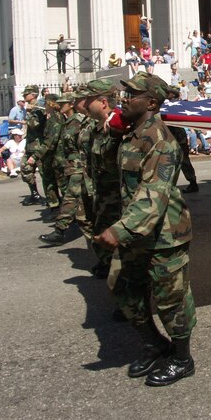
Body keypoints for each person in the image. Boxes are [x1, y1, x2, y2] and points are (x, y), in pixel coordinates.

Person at [94, 73, 197, 387]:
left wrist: (119, 230)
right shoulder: (132, 133)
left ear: (151, 102)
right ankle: (154, 343)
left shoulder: (160, 139)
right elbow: (99, 162)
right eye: (125, 93)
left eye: (132, 94)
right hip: (136, 231)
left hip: (164, 234)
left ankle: (181, 358)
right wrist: (112, 132)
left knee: (172, 300)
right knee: (122, 286)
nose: (124, 98)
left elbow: (154, 194)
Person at [83, 79, 123, 279]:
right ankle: (106, 262)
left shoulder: (119, 126)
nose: (84, 104)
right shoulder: (99, 127)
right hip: (103, 193)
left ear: (103, 102)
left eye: (89, 99)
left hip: (118, 197)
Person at [40, 91, 92, 245]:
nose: (60, 106)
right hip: (69, 165)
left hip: (78, 166)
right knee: (79, 203)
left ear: (71, 105)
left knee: (70, 198)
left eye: (63, 103)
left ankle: (60, 231)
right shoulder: (66, 120)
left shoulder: (77, 121)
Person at [20, 85, 46, 205]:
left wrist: (29, 112)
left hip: (39, 146)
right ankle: (34, 194)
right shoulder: (31, 107)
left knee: (45, 174)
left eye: (26, 94)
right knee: (25, 170)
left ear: (34, 95)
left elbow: (34, 124)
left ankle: (53, 200)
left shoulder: (39, 108)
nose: (24, 96)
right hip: (30, 145)